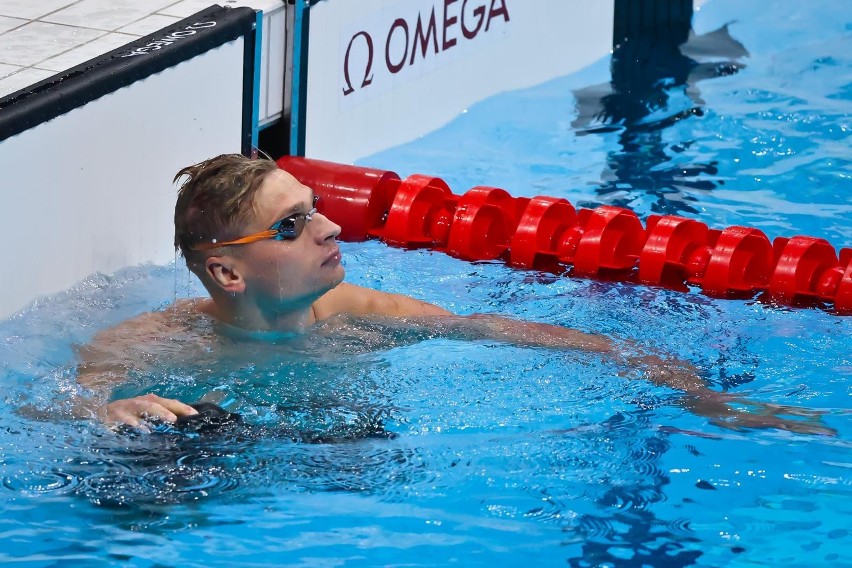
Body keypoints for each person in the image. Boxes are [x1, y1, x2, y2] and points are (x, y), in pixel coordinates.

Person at [74, 154, 832, 435]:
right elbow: (67, 400)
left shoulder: (364, 317)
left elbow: (530, 334)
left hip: (345, 444)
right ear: (227, 274)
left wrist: (700, 396)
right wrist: (101, 410)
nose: (332, 223)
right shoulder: (157, 344)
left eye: (317, 204)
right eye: (293, 223)